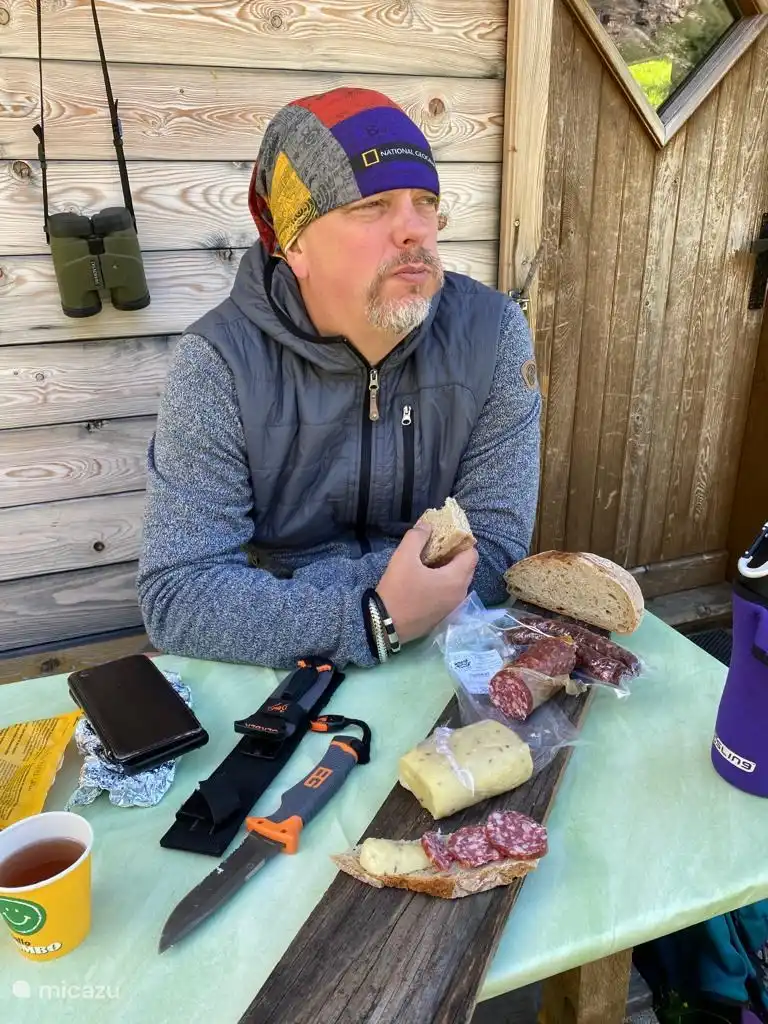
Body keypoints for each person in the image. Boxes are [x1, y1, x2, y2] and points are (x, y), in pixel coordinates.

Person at [136, 86, 542, 671]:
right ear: (294, 243)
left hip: (446, 657)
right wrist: (371, 614)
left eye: (424, 201)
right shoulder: (219, 364)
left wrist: (389, 608)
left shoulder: (492, 334)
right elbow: (178, 593)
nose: (414, 231)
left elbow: (499, 545)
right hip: (283, 676)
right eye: (370, 205)